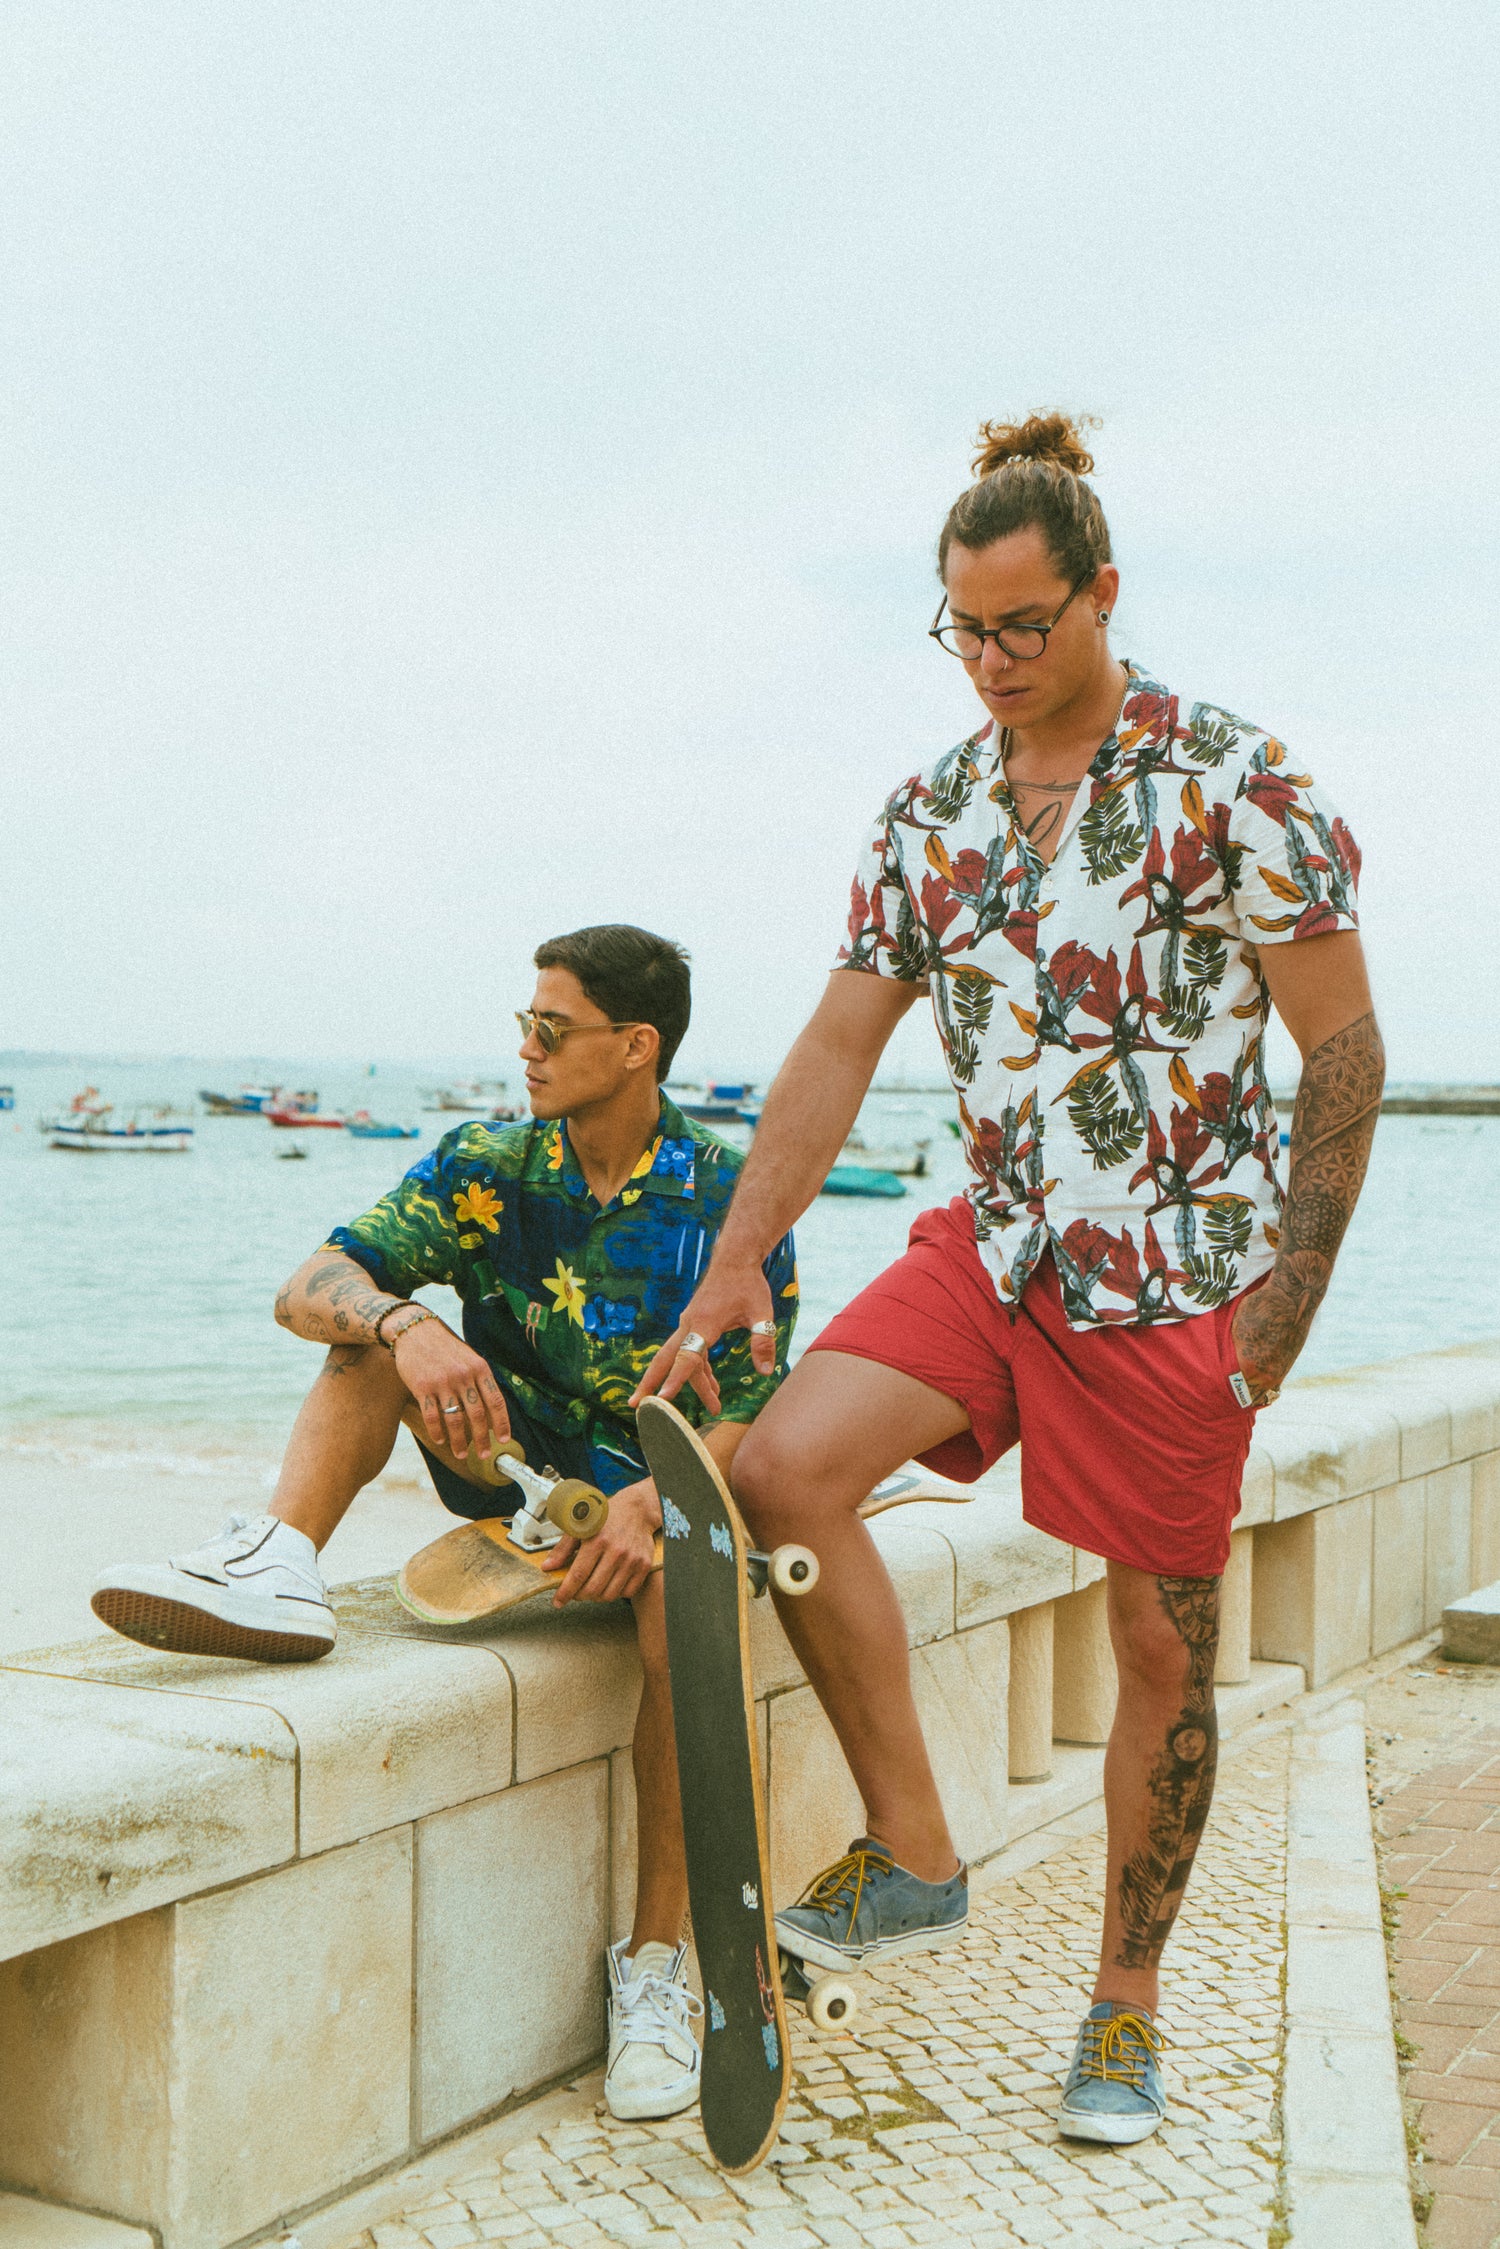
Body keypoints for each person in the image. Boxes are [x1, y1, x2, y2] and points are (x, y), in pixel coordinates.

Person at [631, 416, 1383, 2144]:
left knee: (1154, 1647)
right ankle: (913, 1845)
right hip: (1001, 1237)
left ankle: (1124, 2008)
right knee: (782, 1462)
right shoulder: (932, 809)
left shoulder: (1238, 781)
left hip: (1177, 1271)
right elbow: (835, 1041)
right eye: (961, 628)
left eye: (1022, 625)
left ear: (1102, 591)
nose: (989, 661)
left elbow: (1344, 1051)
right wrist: (737, 1258)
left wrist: (1286, 1305)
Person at [92, 923, 798, 2126]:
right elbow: (307, 1281)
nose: (524, 1046)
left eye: (550, 1027)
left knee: (687, 1623)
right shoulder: (483, 1161)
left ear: (637, 1047)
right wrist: (404, 1325)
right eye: (523, 1022)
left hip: (656, 1488)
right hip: (507, 1466)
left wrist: (657, 1502)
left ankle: (657, 1970)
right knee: (368, 1341)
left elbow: (755, 1407)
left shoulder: (732, 1198)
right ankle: (278, 1560)